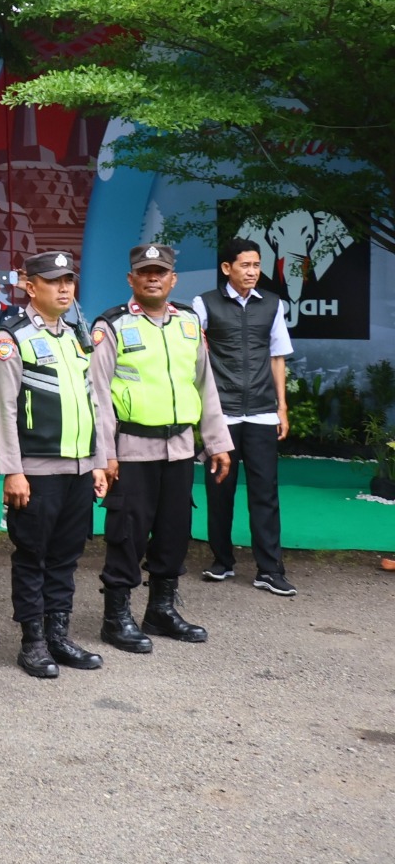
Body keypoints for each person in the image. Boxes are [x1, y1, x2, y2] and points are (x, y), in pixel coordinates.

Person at [90, 244, 233, 653]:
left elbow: (205, 385)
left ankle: (161, 610)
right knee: (127, 533)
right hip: (132, 448)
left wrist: (218, 442)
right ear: (131, 279)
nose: (153, 277)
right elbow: (98, 395)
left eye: (161, 272)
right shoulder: (112, 326)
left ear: (173, 279)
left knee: (174, 531)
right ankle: (116, 617)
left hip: (180, 448)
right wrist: (107, 456)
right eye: (145, 272)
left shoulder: (188, 323)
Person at [0, 251, 108, 678]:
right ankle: (33, 643)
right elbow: (3, 408)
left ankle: (59, 636)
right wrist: (13, 470)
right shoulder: (13, 336)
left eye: (68, 281)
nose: (63, 288)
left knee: (65, 557)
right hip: (36, 471)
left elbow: (95, 401)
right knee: (32, 557)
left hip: (78, 469)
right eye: (54, 280)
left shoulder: (77, 337)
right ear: (29, 285)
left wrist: (97, 462)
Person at [192, 237, 297, 596]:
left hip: (263, 412)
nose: (253, 272)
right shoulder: (203, 304)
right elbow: (195, 354)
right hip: (222, 413)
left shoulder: (272, 304)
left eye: (256, 265)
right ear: (227, 268)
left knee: (265, 492)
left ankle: (269, 569)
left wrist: (281, 407)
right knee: (219, 489)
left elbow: (278, 357)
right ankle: (222, 562)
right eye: (245, 265)